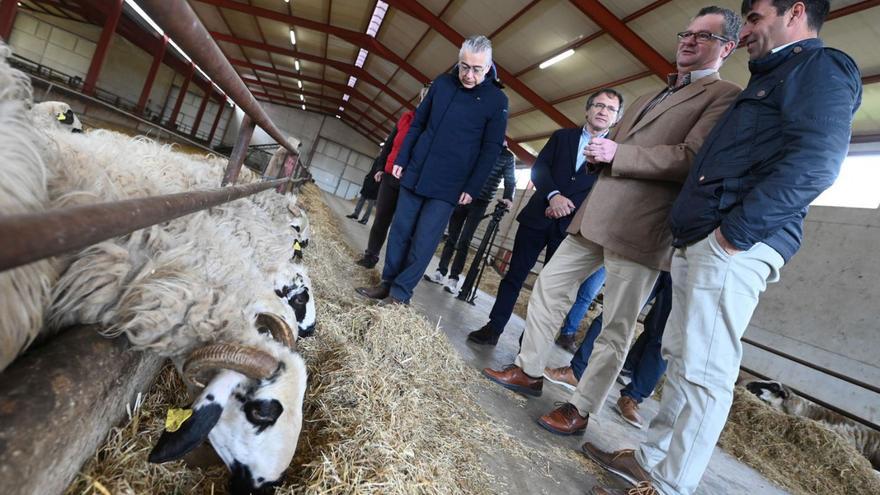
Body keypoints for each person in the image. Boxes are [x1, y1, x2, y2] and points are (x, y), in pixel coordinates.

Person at [585, 2, 862, 494]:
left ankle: (671, 485)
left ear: (795, 12)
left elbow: (816, 164)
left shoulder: (819, 67)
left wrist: (734, 234)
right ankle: (651, 460)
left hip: (735, 242)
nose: (748, 30)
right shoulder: (769, 77)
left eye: (754, 18)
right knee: (682, 355)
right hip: (704, 237)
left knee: (705, 370)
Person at [481, 6, 742, 440]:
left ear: (727, 48)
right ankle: (529, 370)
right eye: (687, 32)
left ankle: (582, 408)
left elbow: (692, 158)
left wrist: (618, 155)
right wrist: (599, 157)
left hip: (643, 226)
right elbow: (614, 148)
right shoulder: (648, 96)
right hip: (595, 215)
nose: (689, 40)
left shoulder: (723, 96)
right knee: (548, 287)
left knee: (616, 326)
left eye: (704, 36)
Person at [355, 35, 508, 306]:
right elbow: (418, 123)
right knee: (400, 230)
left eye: (476, 69)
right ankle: (388, 283)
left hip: (450, 184)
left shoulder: (497, 100)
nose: (468, 75)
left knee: (423, 240)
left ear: (488, 67)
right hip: (416, 171)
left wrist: (472, 188)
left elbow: (490, 150)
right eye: (464, 66)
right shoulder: (442, 83)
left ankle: (401, 294)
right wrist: (402, 159)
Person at [466, 88, 623, 346]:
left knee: (553, 290)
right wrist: (553, 196)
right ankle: (493, 328)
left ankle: (529, 344)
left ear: (616, 118)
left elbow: (606, 190)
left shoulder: (614, 152)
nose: (603, 111)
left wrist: (567, 206)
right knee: (514, 275)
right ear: (587, 109)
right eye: (598, 105)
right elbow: (540, 168)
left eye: (610, 109)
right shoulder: (562, 137)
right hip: (538, 216)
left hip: (571, 228)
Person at [544, 272, 672, 429]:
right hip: (657, 255)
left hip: (690, 265)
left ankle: (633, 397)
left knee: (665, 335)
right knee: (616, 311)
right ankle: (576, 371)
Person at [425, 143, 516, 294]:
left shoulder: (507, 157)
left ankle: (453, 278)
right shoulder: (479, 145)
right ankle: (440, 272)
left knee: (465, 240)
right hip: (463, 195)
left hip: (481, 202)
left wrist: (508, 198)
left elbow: (510, 179)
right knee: (451, 237)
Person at [355, 85, 429, 268]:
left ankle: (393, 267)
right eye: (423, 96)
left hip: (410, 179)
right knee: (381, 218)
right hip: (390, 175)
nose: (424, 100)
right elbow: (388, 145)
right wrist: (380, 167)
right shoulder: (406, 118)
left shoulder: (432, 125)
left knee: (402, 226)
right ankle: (370, 256)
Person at [554, 267, 606, 351]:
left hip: (608, 261)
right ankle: (565, 332)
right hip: (605, 258)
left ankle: (567, 334)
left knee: (586, 296)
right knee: (584, 295)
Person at [347, 138, 394, 224]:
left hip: (377, 182)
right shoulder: (379, 158)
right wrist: (367, 177)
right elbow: (373, 170)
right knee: (362, 197)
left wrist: (378, 182)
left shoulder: (386, 160)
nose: (381, 150)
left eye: (382, 148)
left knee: (371, 201)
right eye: (381, 148)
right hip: (370, 180)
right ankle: (355, 213)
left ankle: (365, 219)